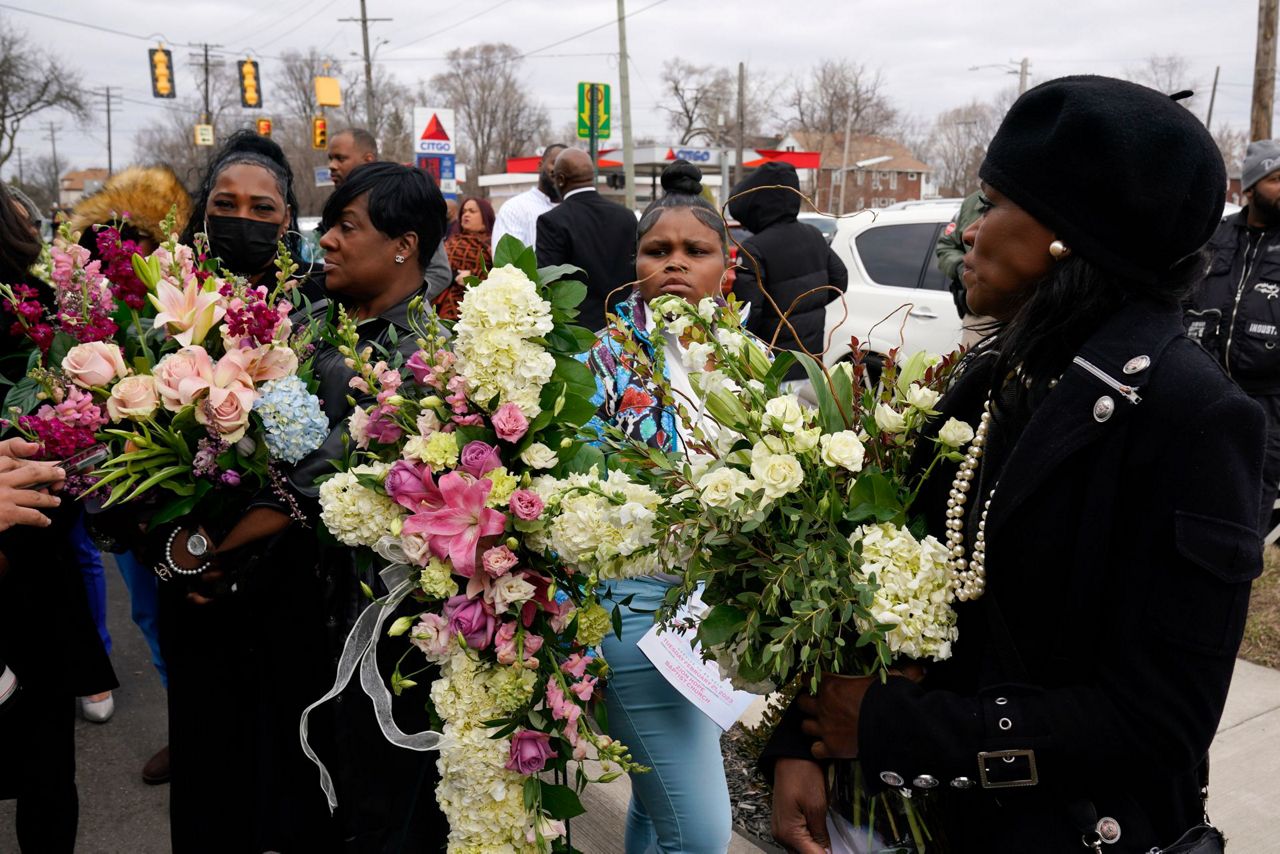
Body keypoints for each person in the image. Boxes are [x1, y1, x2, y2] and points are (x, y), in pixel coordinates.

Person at [766, 76, 1261, 853]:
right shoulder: (1001, 374)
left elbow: (1157, 720)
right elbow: (884, 576)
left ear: (1072, 233)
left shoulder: (1190, 414)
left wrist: (890, 730)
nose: (965, 231)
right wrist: (802, 743)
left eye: (991, 204)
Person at [153, 159, 450, 853]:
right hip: (282, 611)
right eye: (328, 226)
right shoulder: (314, 321)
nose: (331, 243)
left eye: (347, 227)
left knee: (354, 809)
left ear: (404, 244)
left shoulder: (417, 360)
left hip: (356, 632)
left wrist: (197, 555)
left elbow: (313, 483)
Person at [581, 160, 733, 854]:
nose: (675, 263)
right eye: (657, 250)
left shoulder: (747, 362)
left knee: (656, 801)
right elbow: (578, 492)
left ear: (727, 268)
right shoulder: (602, 362)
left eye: (695, 251)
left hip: (712, 612)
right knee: (701, 835)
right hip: (636, 605)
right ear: (634, 264)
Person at [73, 164, 194, 779]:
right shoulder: (85, 317)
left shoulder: (186, 297)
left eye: (139, 240)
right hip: (120, 487)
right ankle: (185, 728)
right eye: (112, 243)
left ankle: (210, 730)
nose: (127, 256)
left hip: (184, 483)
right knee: (148, 611)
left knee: (194, 610)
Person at [1186, 140, 1280, 504]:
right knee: (1190, 492)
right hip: (1204, 391)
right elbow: (1179, 299)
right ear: (1252, 187)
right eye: (1276, 179)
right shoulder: (1214, 237)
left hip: (1268, 404)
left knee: (1249, 502)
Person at [727, 161, 847, 382]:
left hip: (772, 363)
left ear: (755, 208)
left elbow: (748, 312)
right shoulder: (813, 235)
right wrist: (808, 307)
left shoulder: (755, 247)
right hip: (810, 358)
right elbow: (839, 281)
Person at [325, 126, 453, 306]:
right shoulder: (318, 319)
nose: (332, 166)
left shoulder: (402, 201)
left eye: (340, 158)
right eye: (330, 158)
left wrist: (395, 305)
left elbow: (439, 272)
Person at [536, 147, 637, 332]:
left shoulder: (552, 221)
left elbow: (546, 280)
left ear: (560, 179)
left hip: (577, 335)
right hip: (623, 329)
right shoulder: (626, 216)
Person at [935, 189, 997, 348]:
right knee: (974, 367)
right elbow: (946, 246)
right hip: (980, 315)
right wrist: (962, 267)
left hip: (1027, 313)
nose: (969, 234)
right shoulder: (971, 204)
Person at [491, 143, 565, 251]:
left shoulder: (576, 211)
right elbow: (506, 263)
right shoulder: (514, 208)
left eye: (564, 167)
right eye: (555, 163)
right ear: (540, 166)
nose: (559, 170)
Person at [434, 195, 495, 320]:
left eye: (472, 211)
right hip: (442, 306)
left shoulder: (492, 244)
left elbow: (500, 275)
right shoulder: (452, 239)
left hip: (478, 309)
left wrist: (474, 276)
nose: (466, 215)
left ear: (485, 215)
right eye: (464, 211)